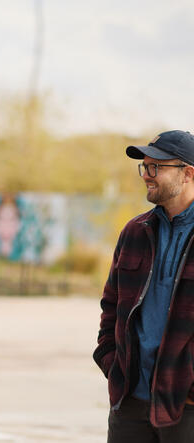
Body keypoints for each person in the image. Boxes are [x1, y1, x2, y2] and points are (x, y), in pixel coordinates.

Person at [94, 130, 194, 442]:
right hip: (131, 403)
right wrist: (112, 363)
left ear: (188, 172)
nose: (146, 176)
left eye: (156, 167)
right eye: (144, 167)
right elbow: (111, 305)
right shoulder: (135, 231)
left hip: (186, 405)